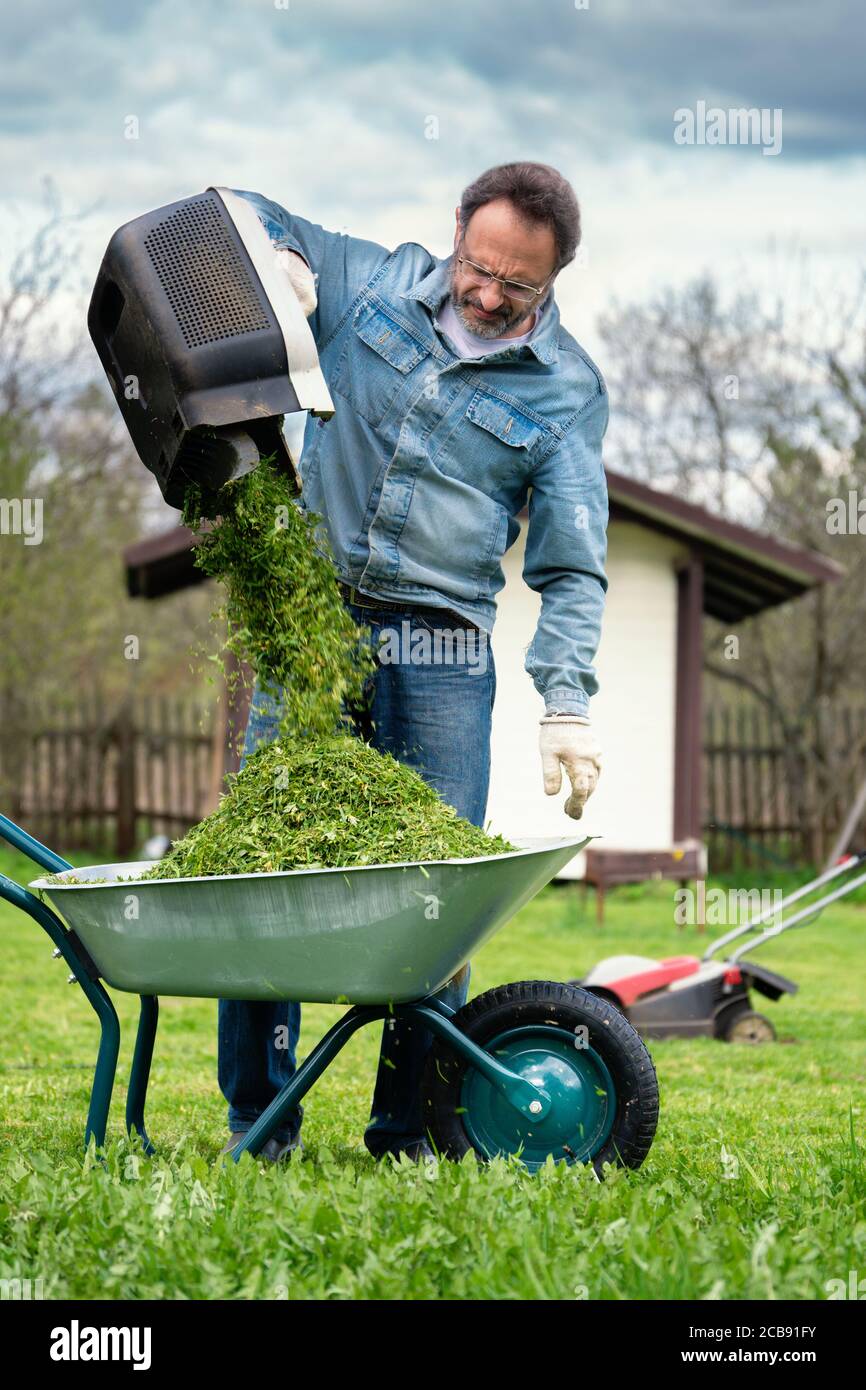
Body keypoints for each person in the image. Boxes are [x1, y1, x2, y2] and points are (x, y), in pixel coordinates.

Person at [218, 161, 609, 1163]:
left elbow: (570, 566)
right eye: (477, 268)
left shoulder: (564, 394)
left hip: (439, 648)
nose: (485, 294)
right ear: (455, 236)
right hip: (309, 621)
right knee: (266, 869)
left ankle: (407, 1131)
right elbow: (243, 206)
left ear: (555, 277)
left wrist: (563, 700)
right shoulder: (372, 282)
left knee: (432, 899)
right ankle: (259, 1126)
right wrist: (280, 262)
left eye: (514, 287)